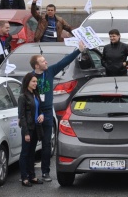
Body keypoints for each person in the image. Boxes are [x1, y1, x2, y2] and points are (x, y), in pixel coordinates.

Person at [28, 41, 86, 181]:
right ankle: (30, 173)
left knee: (47, 143)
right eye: (43, 61)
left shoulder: (50, 71)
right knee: (32, 144)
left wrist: (78, 50)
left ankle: (45, 172)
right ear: (36, 65)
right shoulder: (30, 77)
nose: (46, 62)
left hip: (47, 112)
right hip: (34, 113)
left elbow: (64, 62)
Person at [17, 73, 43, 187]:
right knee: (25, 153)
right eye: (33, 81)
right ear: (27, 82)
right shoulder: (23, 96)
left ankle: (32, 176)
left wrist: (42, 115)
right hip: (28, 128)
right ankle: (24, 178)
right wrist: (26, 132)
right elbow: (21, 116)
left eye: (36, 82)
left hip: (36, 127)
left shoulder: (36, 94)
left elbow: (39, 109)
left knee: (32, 153)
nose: (35, 84)